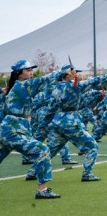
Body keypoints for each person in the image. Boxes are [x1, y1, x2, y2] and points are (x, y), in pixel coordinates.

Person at [26, 63, 107, 182]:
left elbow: (51, 107)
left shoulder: (54, 88)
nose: (75, 73)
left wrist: (43, 125)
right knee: (92, 146)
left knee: (51, 150)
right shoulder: (73, 86)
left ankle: (32, 171)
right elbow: (90, 82)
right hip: (70, 122)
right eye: (72, 71)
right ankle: (87, 174)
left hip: (56, 122)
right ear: (65, 74)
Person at [0, 59, 63, 199]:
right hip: (13, 131)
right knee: (43, 150)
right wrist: (62, 71)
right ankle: (42, 190)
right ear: (18, 74)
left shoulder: (16, 88)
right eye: (27, 70)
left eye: (31, 70)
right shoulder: (23, 85)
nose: (31, 72)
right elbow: (44, 80)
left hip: (9, 129)